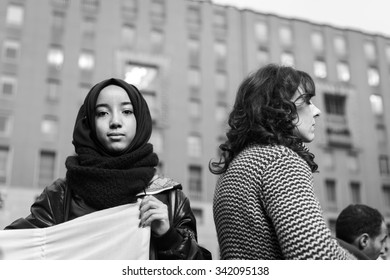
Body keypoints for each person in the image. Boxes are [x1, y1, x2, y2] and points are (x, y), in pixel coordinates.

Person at [5, 78, 211, 260]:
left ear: (140, 120)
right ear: (89, 124)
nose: (115, 122)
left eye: (127, 111)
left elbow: (200, 269)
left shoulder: (170, 197)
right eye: (102, 113)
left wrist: (168, 236)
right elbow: (12, 250)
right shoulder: (59, 196)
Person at [210, 64, 353, 260]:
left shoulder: (233, 168)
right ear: (278, 107)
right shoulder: (279, 161)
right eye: (307, 101)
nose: (317, 111)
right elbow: (315, 257)